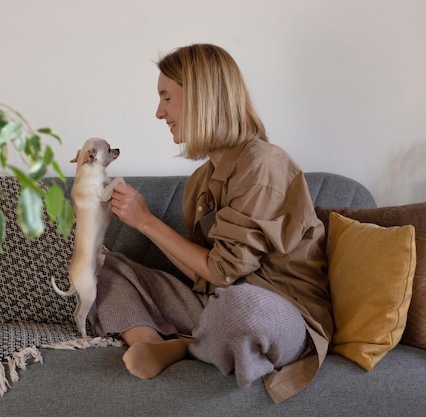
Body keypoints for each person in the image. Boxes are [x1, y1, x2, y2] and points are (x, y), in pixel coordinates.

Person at [88, 44, 333, 403]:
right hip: (212, 301)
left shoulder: (263, 165)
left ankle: (187, 346)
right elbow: (203, 276)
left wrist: (147, 222)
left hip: (282, 313)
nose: (159, 112)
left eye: (167, 97)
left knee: (241, 306)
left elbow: (222, 271)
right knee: (100, 267)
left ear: (202, 97)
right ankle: (150, 342)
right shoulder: (200, 182)